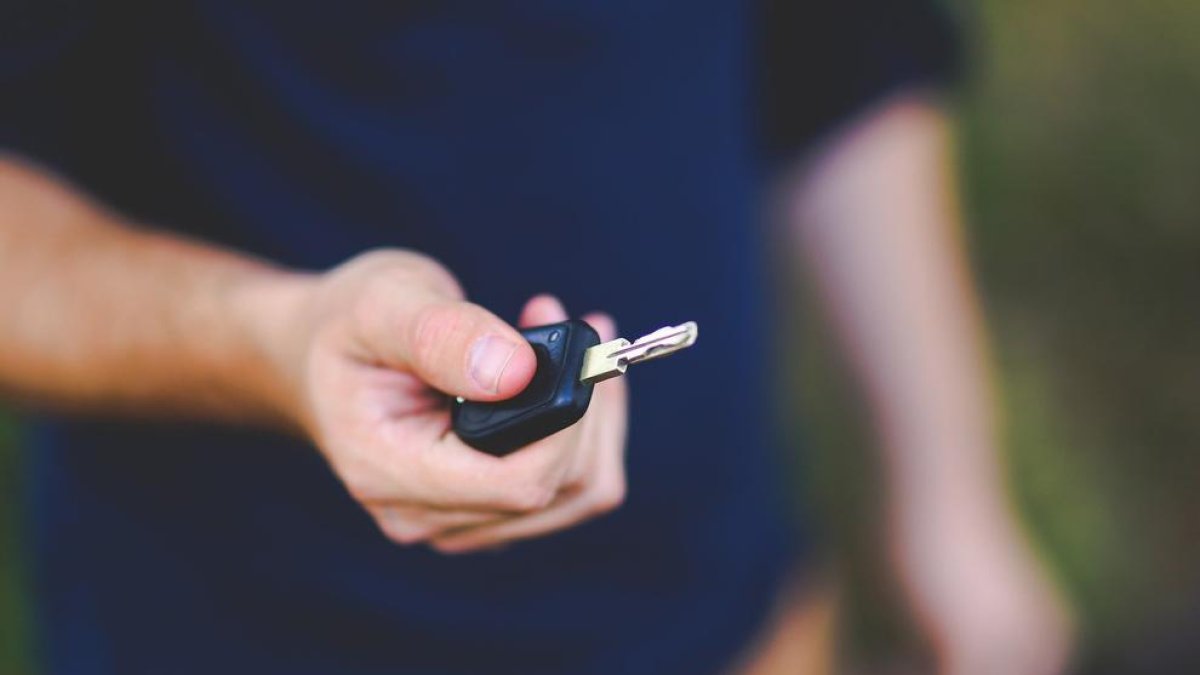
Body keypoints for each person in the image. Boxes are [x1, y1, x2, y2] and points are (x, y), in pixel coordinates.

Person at [0, 1, 1071, 673]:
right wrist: (282, 342)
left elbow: (837, 50)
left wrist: (949, 489)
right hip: (251, 632)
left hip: (732, 609)